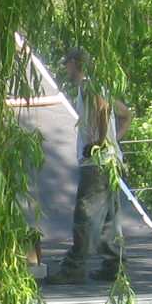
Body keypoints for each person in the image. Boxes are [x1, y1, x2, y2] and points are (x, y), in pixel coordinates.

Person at [47, 47, 125, 284]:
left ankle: (74, 268)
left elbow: (102, 109)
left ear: (74, 63)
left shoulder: (89, 86)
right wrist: (112, 141)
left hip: (97, 163)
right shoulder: (100, 86)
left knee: (85, 215)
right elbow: (126, 114)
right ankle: (114, 266)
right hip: (111, 161)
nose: (65, 69)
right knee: (109, 219)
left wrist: (98, 143)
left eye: (67, 64)